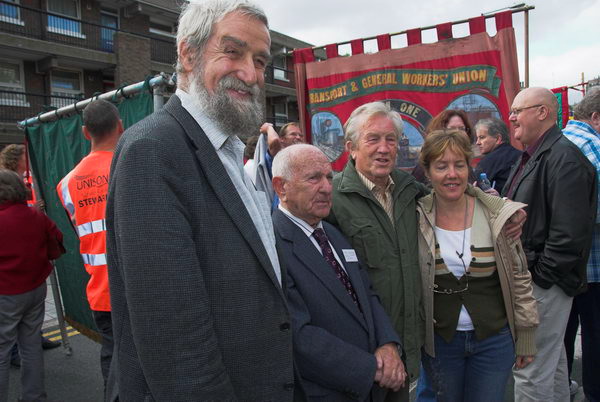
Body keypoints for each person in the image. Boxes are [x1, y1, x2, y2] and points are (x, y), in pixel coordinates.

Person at [105, 1, 295, 401]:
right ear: (188, 54)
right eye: (233, 51)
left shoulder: (226, 150)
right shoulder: (153, 151)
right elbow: (177, 349)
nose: (251, 73)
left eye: (260, 61)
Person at [272, 144, 406, 401]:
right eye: (313, 178)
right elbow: (296, 334)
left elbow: (367, 294)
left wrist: (388, 345)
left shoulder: (331, 233)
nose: (326, 187)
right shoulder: (272, 245)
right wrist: (372, 368)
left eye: (329, 177)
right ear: (281, 187)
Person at [415, 129, 538, 401]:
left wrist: (526, 333)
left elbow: (519, 276)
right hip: (441, 342)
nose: (452, 174)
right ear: (427, 171)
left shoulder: (495, 215)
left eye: (459, 165)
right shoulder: (416, 216)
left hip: (493, 340)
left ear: (469, 167)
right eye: (441, 166)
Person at [505, 87, 597, 402]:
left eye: (518, 110)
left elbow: (569, 234)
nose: (511, 117)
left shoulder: (564, 157)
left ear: (543, 112)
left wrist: (539, 276)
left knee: (530, 370)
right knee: (553, 366)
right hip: (540, 279)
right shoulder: (540, 154)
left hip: (543, 283)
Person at [56, 99, 123, 392]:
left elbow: (81, 230)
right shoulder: (131, 167)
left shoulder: (66, 184)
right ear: (121, 127)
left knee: (112, 357)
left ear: (85, 133)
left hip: (101, 290)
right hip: (136, 285)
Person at [0, 169, 65, 402]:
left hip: (6, 293)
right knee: (31, 346)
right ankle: (34, 396)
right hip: (36, 289)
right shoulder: (36, 216)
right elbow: (56, 243)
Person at [561, 87, 600, 402]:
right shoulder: (593, 145)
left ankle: (564, 390)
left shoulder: (558, 141)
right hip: (592, 265)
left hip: (560, 265)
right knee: (596, 336)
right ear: (597, 117)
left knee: (561, 335)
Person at [412, 109, 475, 186]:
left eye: (461, 129)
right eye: (442, 167)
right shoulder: (423, 167)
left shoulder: (467, 163)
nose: (458, 133)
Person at [254, 121, 305, 208]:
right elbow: (274, 141)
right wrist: (268, 128)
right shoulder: (278, 155)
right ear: (282, 139)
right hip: (284, 213)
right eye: (293, 134)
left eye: (300, 135)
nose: (298, 137)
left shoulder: (303, 158)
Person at [474, 117, 521, 192]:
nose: (478, 142)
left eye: (482, 137)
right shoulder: (522, 156)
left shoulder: (487, 162)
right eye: (477, 138)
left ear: (498, 139)